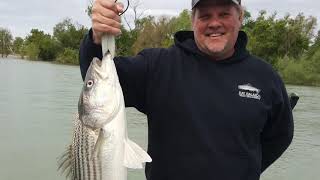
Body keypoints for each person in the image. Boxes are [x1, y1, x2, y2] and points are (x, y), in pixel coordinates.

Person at [79, 0, 294, 180]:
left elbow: (280, 136)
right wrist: (97, 37)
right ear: (193, 20)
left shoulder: (266, 77)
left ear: (240, 17)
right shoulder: (157, 65)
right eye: (205, 16)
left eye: (224, 14)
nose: (214, 23)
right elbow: (97, 85)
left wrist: (245, 169)